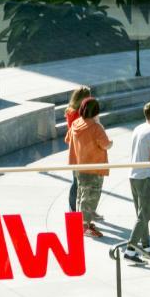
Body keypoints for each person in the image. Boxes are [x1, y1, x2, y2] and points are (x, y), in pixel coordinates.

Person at [67, 97, 112, 239]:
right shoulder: (96, 127)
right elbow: (106, 145)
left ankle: (82, 223)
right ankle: (85, 225)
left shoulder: (75, 124)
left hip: (80, 167)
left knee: (82, 195)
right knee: (91, 197)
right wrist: (111, 142)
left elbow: (68, 139)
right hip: (94, 168)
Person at [126, 102, 150, 263]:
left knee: (141, 214)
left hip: (133, 175)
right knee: (144, 214)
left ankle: (146, 246)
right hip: (145, 177)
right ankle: (130, 250)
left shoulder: (138, 128)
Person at [64, 86, 92, 214]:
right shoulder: (76, 114)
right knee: (77, 182)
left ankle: (77, 209)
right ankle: (73, 209)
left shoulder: (73, 112)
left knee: (79, 182)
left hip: (78, 151)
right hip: (78, 152)